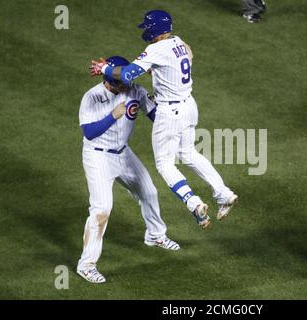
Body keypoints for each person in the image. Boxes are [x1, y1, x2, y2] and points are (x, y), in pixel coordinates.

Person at [90, 10, 238, 230]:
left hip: (170, 112)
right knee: (188, 153)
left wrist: (105, 68)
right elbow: (189, 54)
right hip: (189, 105)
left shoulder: (156, 49)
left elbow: (128, 75)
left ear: (153, 29)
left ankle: (194, 203)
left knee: (164, 164)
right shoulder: (179, 42)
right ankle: (224, 194)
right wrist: (160, 71)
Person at [77, 56, 180, 284]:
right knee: (102, 209)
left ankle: (155, 236)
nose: (124, 84)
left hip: (123, 152)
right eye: (118, 81)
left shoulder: (135, 91)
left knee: (149, 191)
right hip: (98, 156)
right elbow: (89, 133)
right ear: (108, 80)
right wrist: (112, 116)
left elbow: (155, 115)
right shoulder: (92, 96)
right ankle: (86, 265)